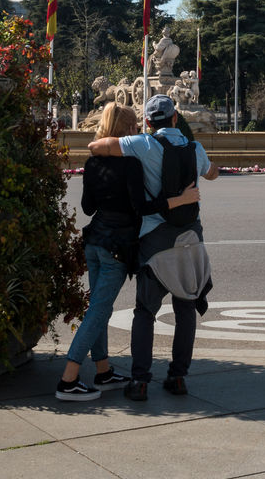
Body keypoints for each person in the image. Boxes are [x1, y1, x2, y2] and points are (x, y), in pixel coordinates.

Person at [56, 104, 200, 402]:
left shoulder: (93, 163)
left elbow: (87, 208)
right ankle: (68, 379)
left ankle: (103, 370)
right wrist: (180, 200)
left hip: (95, 240)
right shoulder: (132, 164)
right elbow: (142, 208)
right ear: (128, 129)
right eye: (134, 126)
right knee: (99, 310)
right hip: (117, 247)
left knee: (98, 307)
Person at [89, 93, 217, 401]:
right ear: (175, 118)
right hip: (190, 239)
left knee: (145, 312)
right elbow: (212, 173)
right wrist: (206, 168)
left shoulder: (142, 144)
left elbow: (97, 147)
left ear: (147, 122)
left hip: (155, 243)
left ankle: (140, 381)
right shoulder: (195, 148)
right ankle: (178, 377)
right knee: (185, 308)